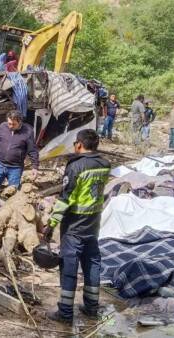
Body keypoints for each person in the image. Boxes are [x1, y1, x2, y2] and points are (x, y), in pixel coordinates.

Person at [43, 129, 110, 323]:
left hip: (74, 225)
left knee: (69, 266)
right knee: (92, 263)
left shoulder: (76, 166)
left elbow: (66, 198)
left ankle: (65, 313)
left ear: (79, 144)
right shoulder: (105, 164)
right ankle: (91, 307)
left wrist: (52, 223)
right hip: (94, 223)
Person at [0, 110, 39, 220]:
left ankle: (12, 217)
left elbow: (32, 150)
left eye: (13, 124)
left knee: (14, 192)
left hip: (15, 168)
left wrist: (35, 166)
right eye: (9, 123)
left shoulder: (28, 131)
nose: (10, 126)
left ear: (20, 122)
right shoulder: (3, 127)